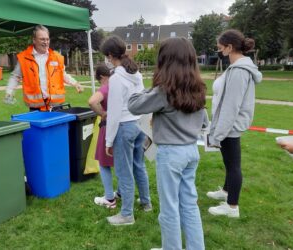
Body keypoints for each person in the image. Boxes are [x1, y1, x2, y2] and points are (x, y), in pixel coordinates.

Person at [129, 37, 207, 250]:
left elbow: (133, 105)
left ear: (166, 61)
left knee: (170, 208)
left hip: (171, 154)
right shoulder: (198, 88)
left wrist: (151, 87)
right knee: (189, 205)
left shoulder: (164, 91)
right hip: (191, 152)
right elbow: (205, 121)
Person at [207, 29, 262, 218]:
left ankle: (232, 207)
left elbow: (231, 106)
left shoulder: (239, 71)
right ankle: (226, 191)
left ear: (230, 47)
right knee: (229, 162)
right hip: (228, 126)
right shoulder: (236, 68)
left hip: (230, 127)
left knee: (233, 166)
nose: (219, 51)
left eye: (221, 48)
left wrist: (218, 134)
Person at [100, 35, 151, 226]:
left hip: (125, 126)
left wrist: (108, 141)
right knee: (138, 165)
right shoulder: (136, 73)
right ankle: (146, 203)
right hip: (139, 125)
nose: (106, 59)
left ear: (111, 55)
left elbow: (113, 113)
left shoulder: (116, 79)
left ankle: (127, 215)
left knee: (124, 171)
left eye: (106, 56)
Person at [5, 25, 83, 111]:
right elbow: (15, 76)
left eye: (47, 39)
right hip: (36, 107)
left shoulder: (57, 57)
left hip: (56, 106)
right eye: (42, 39)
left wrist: (75, 83)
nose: (46, 42)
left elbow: (63, 74)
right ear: (34, 40)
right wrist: (9, 92)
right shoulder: (24, 58)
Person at [88, 65, 119, 208]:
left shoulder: (106, 87)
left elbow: (92, 101)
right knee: (121, 163)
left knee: (103, 163)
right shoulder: (119, 84)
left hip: (108, 128)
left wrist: (102, 114)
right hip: (123, 126)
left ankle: (109, 198)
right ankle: (122, 192)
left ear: (101, 77)